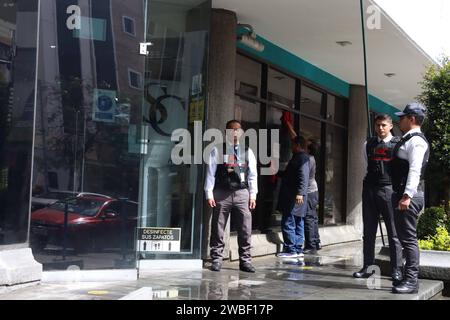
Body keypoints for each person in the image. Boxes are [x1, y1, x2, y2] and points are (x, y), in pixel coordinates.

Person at [353, 114, 403, 286]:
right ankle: (368, 266)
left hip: (389, 190)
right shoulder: (368, 144)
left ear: (390, 126)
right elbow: (367, 163)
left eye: (383, 125)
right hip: (369, 190)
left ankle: (396, 270)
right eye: (378, 125)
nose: (380, 128)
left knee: (393, 233)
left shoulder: (398, 145)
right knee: (368, 232)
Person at [205, 120, 258, 273]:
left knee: (245, 228)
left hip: (242, 193)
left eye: (237, 130)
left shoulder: (248, 151)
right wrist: (209, 193)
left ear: (241, 132)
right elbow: (210, 173)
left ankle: (245, 261)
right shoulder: (217, 150)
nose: (234, 133)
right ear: (226, 132)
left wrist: (253, 195)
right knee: (218, 227)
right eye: (231, 130)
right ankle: (216, 258)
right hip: (222, 192)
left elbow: (253, 174)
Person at [390, 103, 429, 294]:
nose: (399, 120)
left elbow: (414, 170)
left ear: (412, 119)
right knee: (405, 239)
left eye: (402, 117)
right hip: (402, 194)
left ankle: (412, 281)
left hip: (409, 196)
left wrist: (406, 196)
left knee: (408, 240)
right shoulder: (408, 139)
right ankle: (408, 278)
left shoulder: (417, 142)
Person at [276, 134, 310, 258]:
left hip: (294, 196)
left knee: (289, 221)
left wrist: (300, 193)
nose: (291, 147)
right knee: (297, 221)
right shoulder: (299, 157)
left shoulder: (301, 158)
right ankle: (297, 248)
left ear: (298, 145)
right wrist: (277, 173)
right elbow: (289, 174)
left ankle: (291, 249)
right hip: (296, 196)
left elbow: (303, 177)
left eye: (293, 145)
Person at [303, 140, 322, 254]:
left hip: (309, 192)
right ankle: (316, 242)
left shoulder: (308, 159)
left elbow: (304, 177)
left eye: (305, 145)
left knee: (309, 218)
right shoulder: (311, 158)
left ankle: (310, 245)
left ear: (308, 149)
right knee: (313, 217)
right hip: (314, 190)